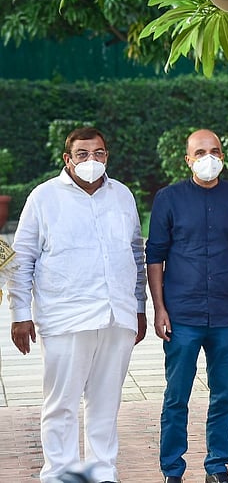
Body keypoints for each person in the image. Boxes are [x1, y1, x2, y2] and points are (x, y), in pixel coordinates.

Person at [8, 127, 147, 483]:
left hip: (117, 315)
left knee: (105, 403)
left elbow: (135, 253)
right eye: (82, 154)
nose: (91, 160)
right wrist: (20, 315)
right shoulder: (44, 197)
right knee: (62, 404)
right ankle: (61, 473)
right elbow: (22, 258)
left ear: (107, 156)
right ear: (67, 160)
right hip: (65, 317)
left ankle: (102, 472)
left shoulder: (122, 196)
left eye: (98, 153)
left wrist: (139, 306)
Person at [146, 129, 228, 483]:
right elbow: (155, 256)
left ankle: (216, 466)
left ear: (222, 155)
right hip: (182, 315)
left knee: (224, 395)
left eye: (215, 150)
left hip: (226, 313)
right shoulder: (169, 198)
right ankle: (173, 469)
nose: (208, 157)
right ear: (188, 159)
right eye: (200, 152)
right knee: (176, 395)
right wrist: (159, 308)